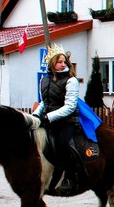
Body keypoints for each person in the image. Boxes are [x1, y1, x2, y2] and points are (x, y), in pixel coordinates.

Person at [32, 44, 82, 195]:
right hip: (48, 120)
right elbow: (44, 102)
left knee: (62, 144)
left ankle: (71, 178)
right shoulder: (45, 81)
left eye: (65, 62)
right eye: (60, 62)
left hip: (67, 121)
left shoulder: (71, 81)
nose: (63, 64)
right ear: (52, 63)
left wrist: (49, 117)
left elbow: (70, 106)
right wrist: (35, 115)